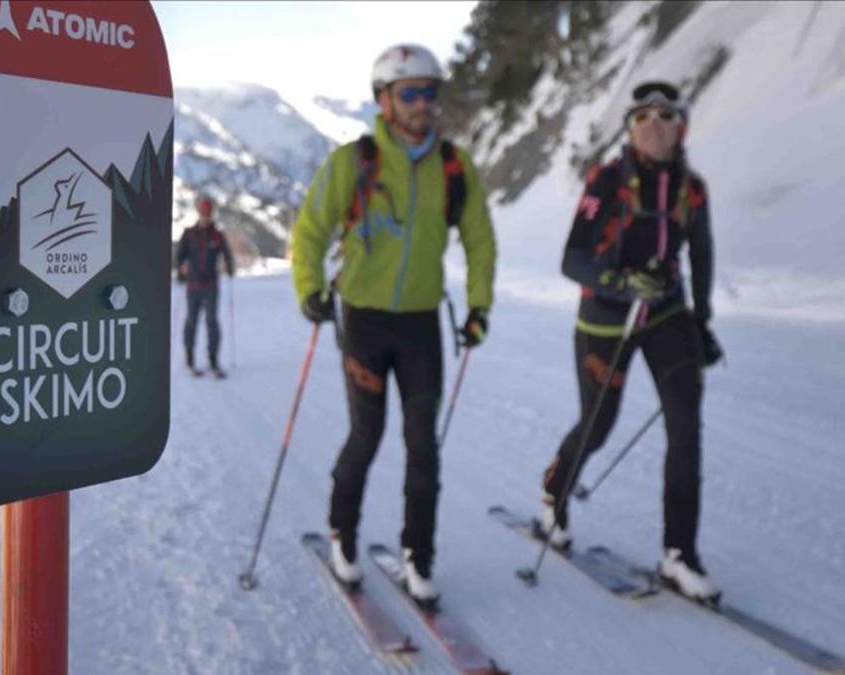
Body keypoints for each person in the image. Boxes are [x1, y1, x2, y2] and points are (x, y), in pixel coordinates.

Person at [291, 44, 497, 605]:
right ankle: (343, 536)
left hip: (421, 326)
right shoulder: (354, 162)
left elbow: (480, 238)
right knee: (366, 435)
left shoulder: (454, 167)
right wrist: (309, 288)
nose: (423, 103)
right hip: (364, 319)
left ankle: (418, 557)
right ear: (384, 100)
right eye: (410, 93)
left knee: (423, 446)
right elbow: (310, 230)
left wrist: (479, 306)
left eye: (430, 91)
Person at [536, 81, 724, 601]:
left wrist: (701, 322)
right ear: (630, 128)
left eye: (664, 116)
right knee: (598, 424)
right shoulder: (608, 180)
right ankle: (554, 491)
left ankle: (679, 555)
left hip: (666, 313)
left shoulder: (692, 189)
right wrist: (620, 283)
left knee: (686, 428)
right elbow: (572, 259)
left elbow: (701, 254)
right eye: (641, 117)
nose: (652, 125)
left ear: (680, 127)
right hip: (605, 317)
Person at [176, 196, 235, 378]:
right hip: (193, 285)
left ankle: (213, 360)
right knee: (191, 321)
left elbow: (227, 254)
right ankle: (189, 358)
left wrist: (229, 267)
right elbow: (179, 256)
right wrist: (180, 271)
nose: (205, 216)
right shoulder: (188, 233)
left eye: (208, 213)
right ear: (198, 213)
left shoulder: (218, 235)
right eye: (203, 213)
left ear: (212, 214)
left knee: (212, 322)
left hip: (211, 285)